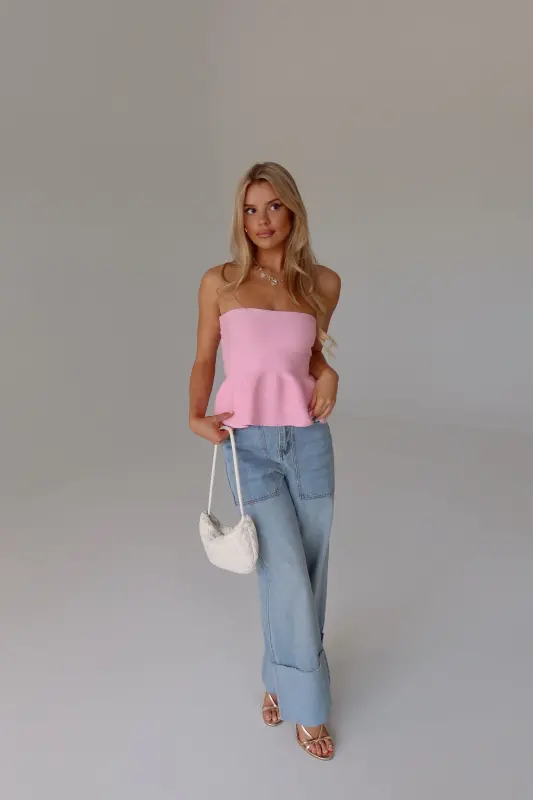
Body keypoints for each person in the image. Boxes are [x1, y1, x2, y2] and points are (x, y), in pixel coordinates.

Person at [189, 162, 341, 761]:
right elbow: (205, 358)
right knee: (284, 569)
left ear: (293, 210)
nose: (262, 221)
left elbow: (307, 357)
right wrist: (195, 413)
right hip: (248, 445)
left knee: (310, 569)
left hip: (308, 442)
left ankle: (280, 675)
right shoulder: (220, 282)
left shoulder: (322, 283)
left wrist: (329, 374)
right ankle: (310, 706)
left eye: (273, 206)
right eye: (250, 210)